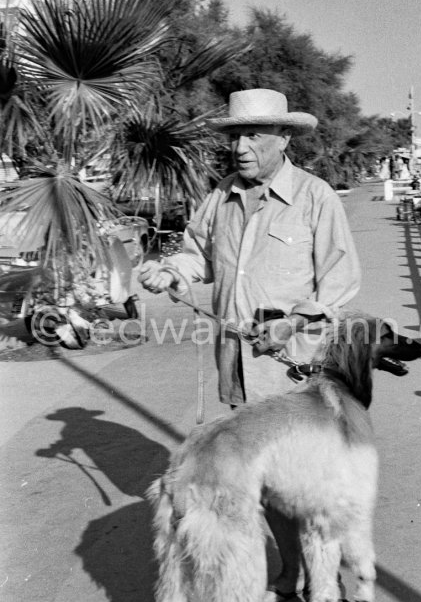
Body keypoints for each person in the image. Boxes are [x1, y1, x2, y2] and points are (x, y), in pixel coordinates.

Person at [139, 88, 361, 408]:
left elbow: (341, 279)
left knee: (292, 454)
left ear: (284, 137)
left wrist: (292, 323)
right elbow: (199, 255)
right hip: (236, 360)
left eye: (253, 136)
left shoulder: (315, 196)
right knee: (245, 451)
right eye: (235, 136)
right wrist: (168, 272)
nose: (240, 148)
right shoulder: (222, 194)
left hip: (294, 368)